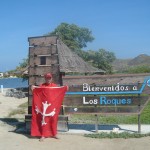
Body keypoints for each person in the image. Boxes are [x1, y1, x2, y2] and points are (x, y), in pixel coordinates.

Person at [31, 73, 60, 141]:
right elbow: (36, 92)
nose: (48, 79)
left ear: (51, 78)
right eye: (47, 78)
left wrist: (65, 88)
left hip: (52, 107)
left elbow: (59, 92)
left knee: (53, 120)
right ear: (45, 78)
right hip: (44, 107)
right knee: (43, 121)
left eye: (49, 78)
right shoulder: (42, 86)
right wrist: (33, 88)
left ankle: (54, 134)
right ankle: (43, 135)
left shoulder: (54, 86)